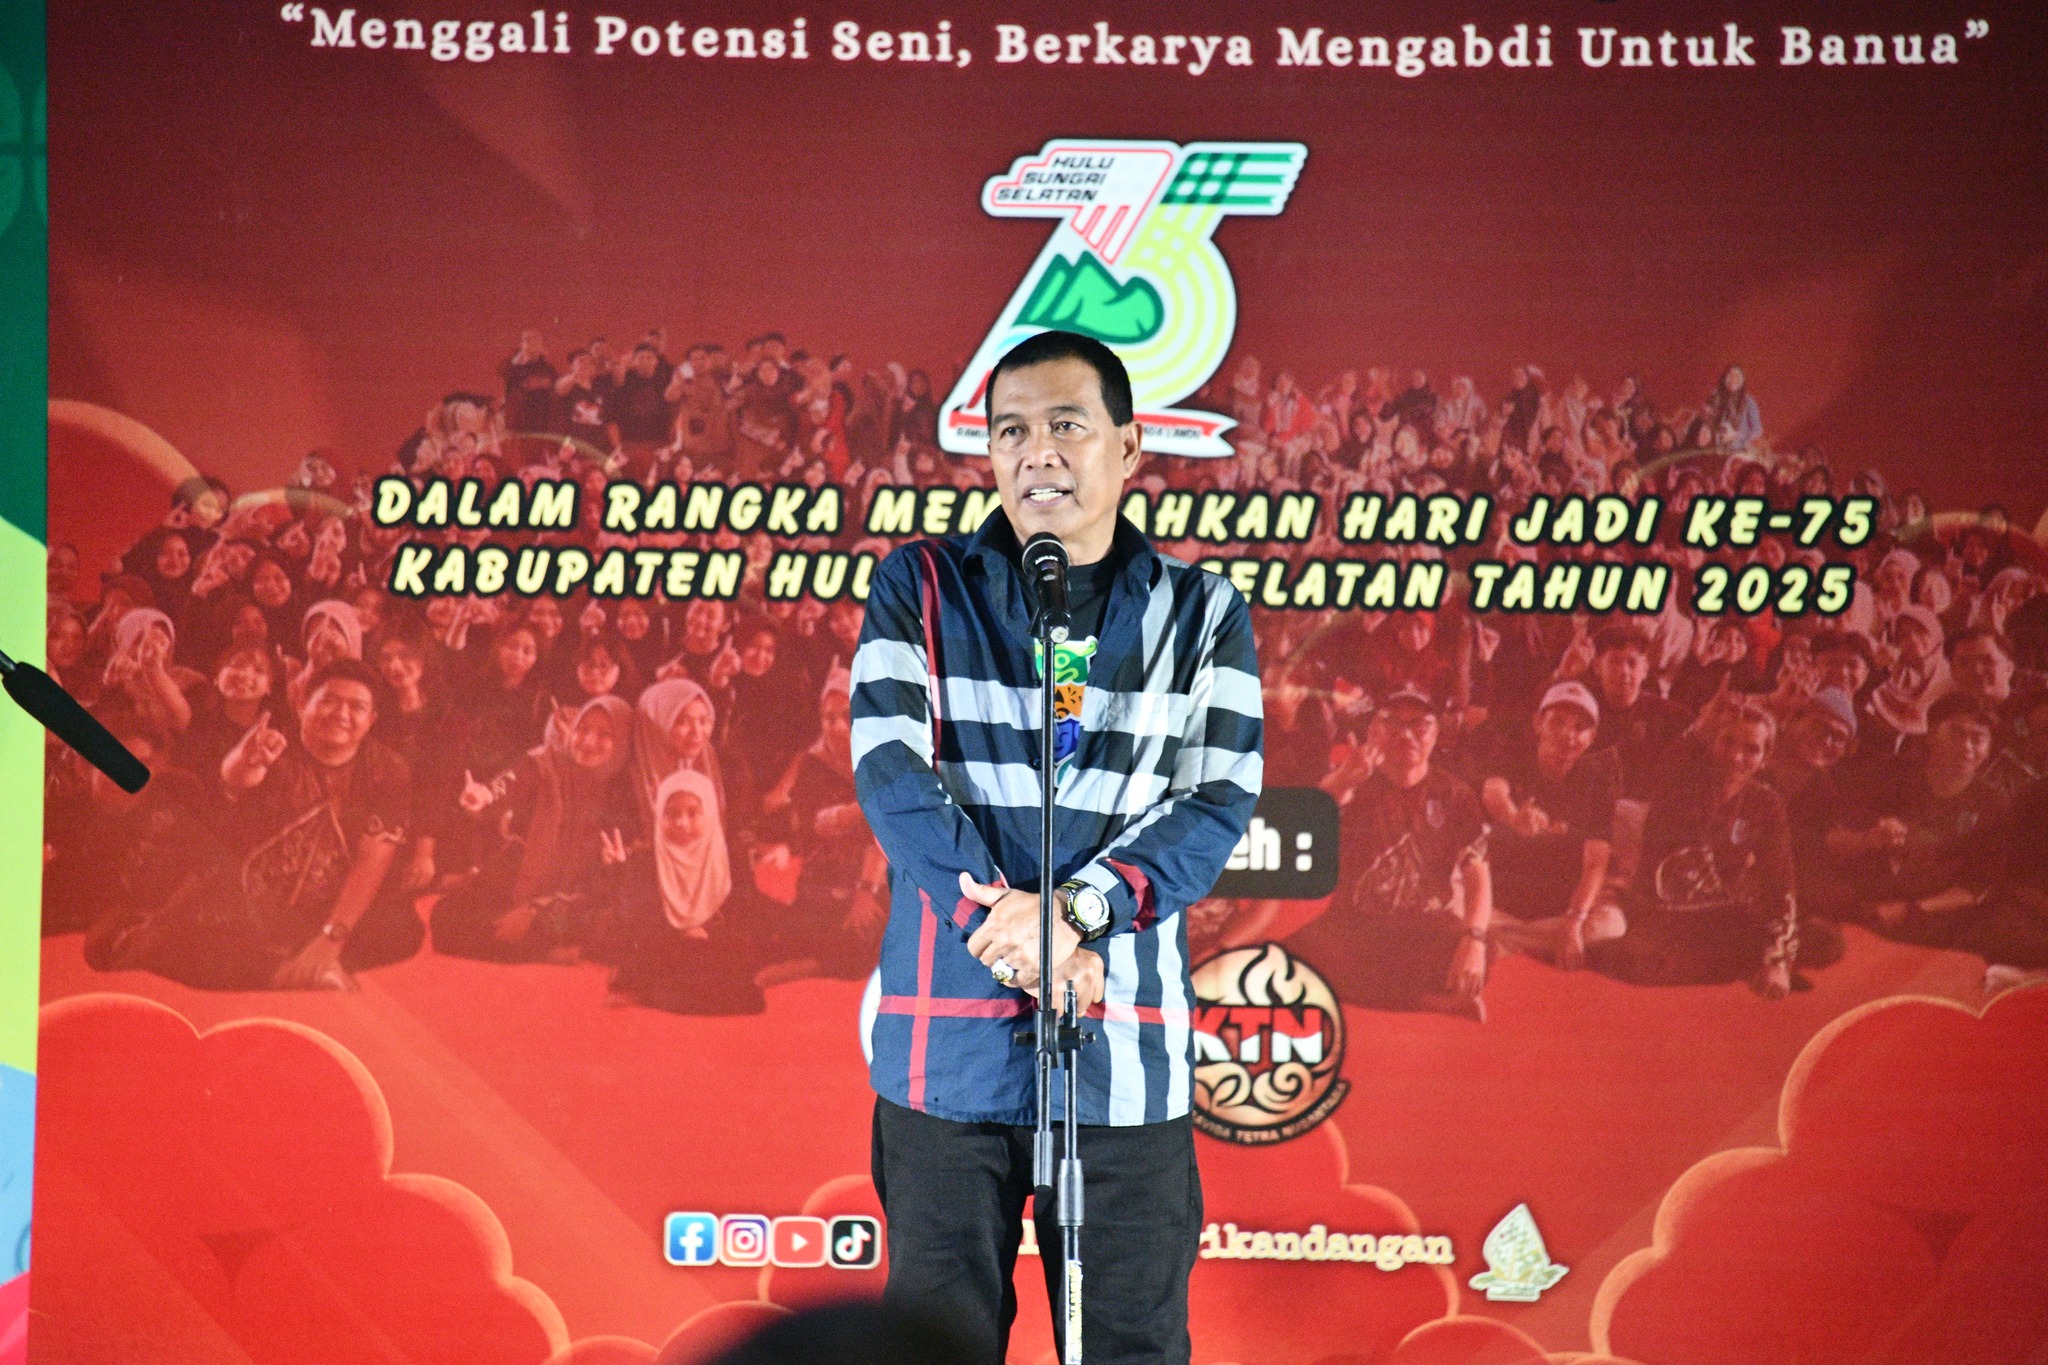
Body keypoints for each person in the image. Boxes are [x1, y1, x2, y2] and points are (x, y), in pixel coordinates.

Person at [852, 331, 1261, 1365]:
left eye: (1066, 425)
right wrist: (1004, 927)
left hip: (1124, 1051)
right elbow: (891, 773)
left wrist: (1074, 914)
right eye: (1011, 431)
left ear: (1128, 448)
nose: (1036, 451)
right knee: (932, 1350)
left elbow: (1216, 801)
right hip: (945, 1050)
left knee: (1129, 1348)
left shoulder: (1202, 612)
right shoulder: (920, 586)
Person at [1290, 684, 1492, 1019]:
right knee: (1292, 957)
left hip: (1423, 928)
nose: (1406, 735)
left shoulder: (1455, 794)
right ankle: (1427, 1001)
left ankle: (1382, 991)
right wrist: (1342, 782)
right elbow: (1299, 831)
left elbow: (1477, 872)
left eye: (1419, 726)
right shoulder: (1355, 779)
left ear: (1436, 734)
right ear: (1375, 730)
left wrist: (1474, 939)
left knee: (1479, 945)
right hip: (1356, 925)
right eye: (1394, 723)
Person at [1478, 681, 1625, 969]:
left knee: (1611, 925)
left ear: (1591, 737)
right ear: (1538, 723)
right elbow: (1492, 793)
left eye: (1580, 727)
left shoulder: (1598, 780)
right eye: (1557, 722)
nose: (1568, 735)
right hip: (1502, 904)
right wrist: (1514, 818)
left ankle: (1511, 944)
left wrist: (1574, 921)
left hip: (1560, 910)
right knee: (1458, 912)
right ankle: (1533, 945)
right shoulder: (1513, 756)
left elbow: (1597, 861)